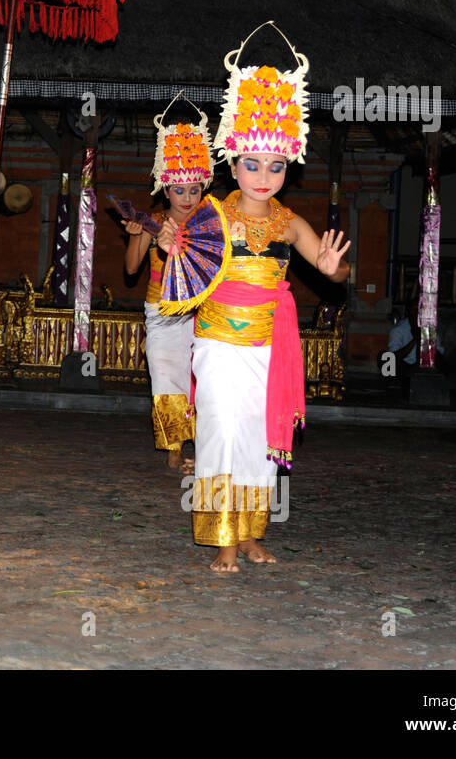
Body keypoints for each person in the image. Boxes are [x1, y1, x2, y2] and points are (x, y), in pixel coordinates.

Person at [161, 48, 350, 573]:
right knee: (222, 434)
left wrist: (334, 267)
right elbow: (181, 266)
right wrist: (170, 243)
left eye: (275, 165)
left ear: (287, 165)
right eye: (252, 163)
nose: (263, 175)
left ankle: (251, 534)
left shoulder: (290, 222)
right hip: (219, 346)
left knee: (261, 440)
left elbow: (333, 271)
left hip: (270, 349)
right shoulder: (211, 213)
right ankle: (223, 537)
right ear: (234, 161)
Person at [122, 102, 214, 474]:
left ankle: (208, 445)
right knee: (166, 378)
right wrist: (137, 237)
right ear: (166, 190)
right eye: (179, 190)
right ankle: (175, 448)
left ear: (204, 186)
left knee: (208, 380)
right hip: (161, 311)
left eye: (194, 188)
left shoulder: (215, 220)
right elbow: (130, 269)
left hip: (205, 311)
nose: (187, 197)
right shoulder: (151, 222)